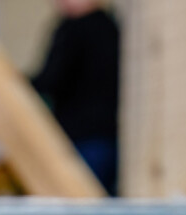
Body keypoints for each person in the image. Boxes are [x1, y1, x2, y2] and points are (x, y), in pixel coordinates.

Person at [32, 0, 121, 194]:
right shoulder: (112, 27)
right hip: (105, 138)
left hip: (82, 139)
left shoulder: (73, 29)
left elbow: (50, 81)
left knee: (76, 205)